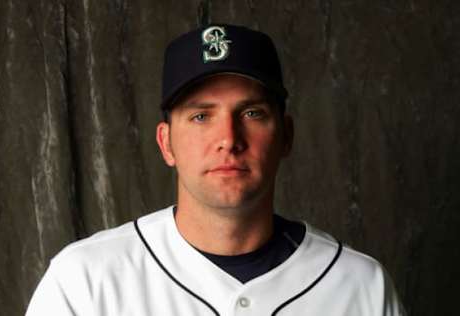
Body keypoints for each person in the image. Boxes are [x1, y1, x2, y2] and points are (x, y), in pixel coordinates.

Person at [26, 24, 405, 315]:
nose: (228, 138)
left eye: (252, 113)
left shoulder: (361, 286)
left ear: (286, 136)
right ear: (166, 143)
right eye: (201, 116)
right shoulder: (86, 282)